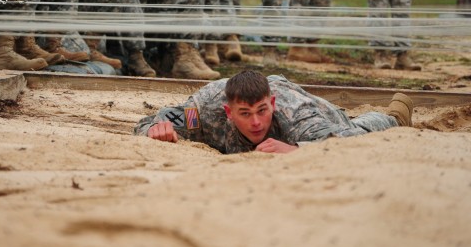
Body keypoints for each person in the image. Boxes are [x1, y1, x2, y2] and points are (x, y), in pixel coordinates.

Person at [134, 69, 414, 155]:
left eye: (261, 111)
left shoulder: (295, 112)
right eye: (245, 113)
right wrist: (155, 128)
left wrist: (294, 149)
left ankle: (394, 116)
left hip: (302, 110)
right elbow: (162, 118)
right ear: (228, 113)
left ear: (273, 105)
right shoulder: (204, 109)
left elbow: (344, 140)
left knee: (354, 125)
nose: (256, 122)